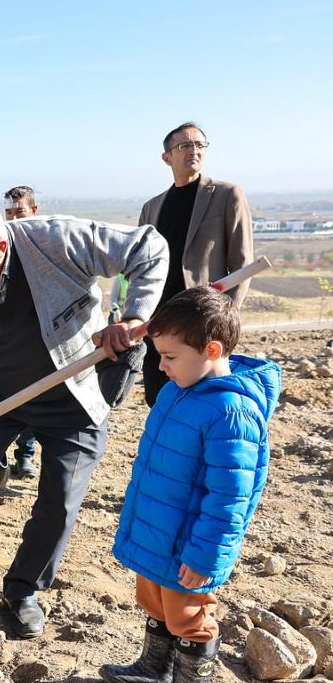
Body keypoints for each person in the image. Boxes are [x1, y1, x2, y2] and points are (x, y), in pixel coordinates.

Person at [0, 196, 168, 640]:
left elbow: (148, 248)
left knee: (60, 499)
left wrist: (135, 314)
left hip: (72, 394)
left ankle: (23, 588)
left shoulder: (55, 241)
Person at [102, 287, 278, 683]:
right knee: (155, 601)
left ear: (211, 351)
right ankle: (154, 668)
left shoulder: (232, 413)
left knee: (190, 616)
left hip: (189, 547)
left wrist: (204, 557)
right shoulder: (177, 392)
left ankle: (192, 676)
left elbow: (230, 498)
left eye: (169, 357)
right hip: (159, 532)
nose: (161, 366)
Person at [138, 122, 253, 406]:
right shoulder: (152, 207)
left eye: (200, 145)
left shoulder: (227, 194)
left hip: (202, 320)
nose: (194, 150)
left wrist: (224, 319)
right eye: (185, 145)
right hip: (160, 322)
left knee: (204, 402)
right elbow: (138, 267)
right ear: (167, 157)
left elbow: (242, 263)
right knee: (159, 398)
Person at [0, 185, 40, 480]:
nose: (14, 219)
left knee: (33, 399)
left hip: (38, 339)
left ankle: (25, 455)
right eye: (9, 213)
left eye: (20, 212)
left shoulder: (45, 245)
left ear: (34, 212)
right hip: (5, 338)